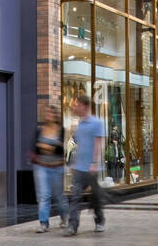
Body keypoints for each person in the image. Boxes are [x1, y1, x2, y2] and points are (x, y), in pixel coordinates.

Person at [65, 92, 106, 235]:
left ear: (85, 106)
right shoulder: (79, 124)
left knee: (95, 197)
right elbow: (76, 142)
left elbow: (98, 144)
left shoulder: (97, 123)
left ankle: (100, 220)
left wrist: (94, 163)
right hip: (78, 167)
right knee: (75, 197)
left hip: (91, 168)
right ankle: (72, 226)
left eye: (78, 105)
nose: (76, 107)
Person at [29, 109, 66, 233]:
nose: (49, 115)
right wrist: (50, 147)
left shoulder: (61, 130)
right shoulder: (39, 130)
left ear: (55, 115)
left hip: (57, 167)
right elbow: (35, 146)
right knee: (44, 195)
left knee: (59, 195)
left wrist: (44, 146)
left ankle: (64, 218)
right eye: (47, 113)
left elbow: (59, 150)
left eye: (51, 113)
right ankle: (43, 223)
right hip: (41, 166)